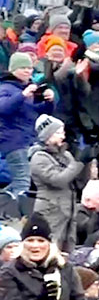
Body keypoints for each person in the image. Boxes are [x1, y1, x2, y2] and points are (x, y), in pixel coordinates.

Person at [0, 52, 56, 217]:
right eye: (23, 68)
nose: (28, 71)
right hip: (12, 141)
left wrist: (48, 102)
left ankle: (6, 203)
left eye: (30, 68)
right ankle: (14, 214)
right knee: (22, 180)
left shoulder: (28, 89)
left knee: (21, 179)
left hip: (28, 139)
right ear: (13, 69)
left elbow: (38, 114)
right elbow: (4, 108)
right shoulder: (5, 87)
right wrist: (22, 95)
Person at [29, 115, 86, 250]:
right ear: (48, 135)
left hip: (69, 210)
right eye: (59, 132)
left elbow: (77, 179)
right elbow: (58, 180)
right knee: (51, 247)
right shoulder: (39, 157)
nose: (63, 136)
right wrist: (79, 162)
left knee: (68, 250)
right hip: (51, 210)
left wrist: (87, 162)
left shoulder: (66, 155)